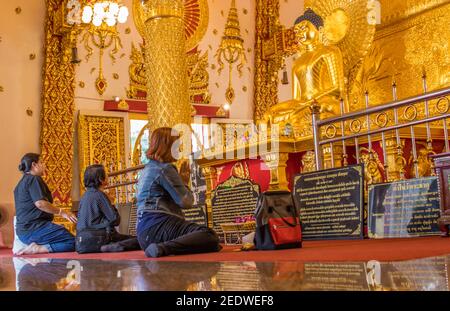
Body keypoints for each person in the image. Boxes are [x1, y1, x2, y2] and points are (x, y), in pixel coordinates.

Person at [136, 127, 221, 258]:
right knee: (209, 235)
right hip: (158, 226)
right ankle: (163, 248)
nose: (179, 150)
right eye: (177, 146)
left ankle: (157, 247)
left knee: (206, 242)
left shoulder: (146, 170)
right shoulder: (164, 168)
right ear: (168, 146)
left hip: (143, 232)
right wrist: (185, 181)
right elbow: (186, 202)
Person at [13, 153, 77, 255]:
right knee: (74, 242)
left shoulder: (20, 184)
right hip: (34, 229)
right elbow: (40, 204)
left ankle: (39, 247)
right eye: (41, 162)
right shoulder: (33, 179)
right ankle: (37, 249)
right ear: (34, 165)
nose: (44, 165)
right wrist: (63, 212)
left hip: (24, 232)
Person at [76, 164, 140, 253]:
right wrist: (111, 202)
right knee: (139, 240)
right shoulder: (99, 195)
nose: (108, 176)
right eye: (106, 174)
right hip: (100, 238)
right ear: (100, 179)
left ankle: (109, 247)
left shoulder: (84, 197)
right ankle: (110, 246)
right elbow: (115, 220)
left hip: (83, 243)